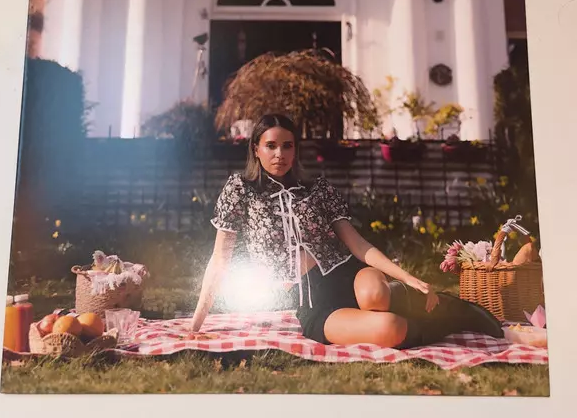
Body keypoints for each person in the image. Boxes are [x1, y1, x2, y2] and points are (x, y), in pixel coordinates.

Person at [191, 114, 503, 348]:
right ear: (256, 149)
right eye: (270, 146)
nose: (279, 154)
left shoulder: (317, 188)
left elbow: (357, 243)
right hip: (314, 301)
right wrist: (196, 322)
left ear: (296, 150)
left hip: (348, 273)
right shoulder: (240, 189)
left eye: (287, 146)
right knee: (390, 329)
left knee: (375, 296)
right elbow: (220, 260)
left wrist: (407, 276)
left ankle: (454, 309)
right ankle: (448, 320)